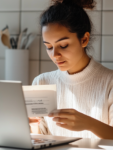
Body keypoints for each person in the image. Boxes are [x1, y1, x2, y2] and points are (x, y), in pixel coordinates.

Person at [29, 0, 113, 139]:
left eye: (63, 45)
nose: (54, 55)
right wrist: (30, 125)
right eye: (49, 47)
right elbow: (41, 139)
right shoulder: (41, 82)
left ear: (84, 39)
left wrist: (89, 124)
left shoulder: (110, 83)